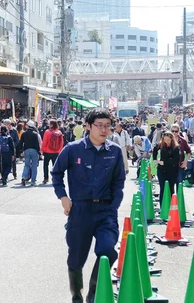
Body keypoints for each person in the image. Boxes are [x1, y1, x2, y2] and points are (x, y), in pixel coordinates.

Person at [51, 110, 126, 303]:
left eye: (107, 125)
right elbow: (56, 173)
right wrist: (63, 198)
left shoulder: (115, 152)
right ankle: (77, 295)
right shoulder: (72, 149)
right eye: (99, 125)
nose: (104, 129)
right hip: (80, 211)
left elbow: (118, 183)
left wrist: (114, 207)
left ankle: (93, 293)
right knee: (76, 258)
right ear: (88, 126)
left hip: (105, 211)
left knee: (108, 250)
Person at [152, 131, 181, 205]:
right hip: (161, 170)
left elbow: (175, 160)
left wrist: (164, 162)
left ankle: (171, 206)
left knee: (171, 188)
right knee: (162, 188)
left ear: (172, 139)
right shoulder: (161, 145)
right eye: (165, 140)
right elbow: (154, 150)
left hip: (172, 170)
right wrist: (155, 159)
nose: (166, 142)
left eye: (168, 140)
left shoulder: (176, 147)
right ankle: (162, 206)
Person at [42, 119, 65, 184]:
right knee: (55, 166)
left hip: (47, 151)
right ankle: (54, 178)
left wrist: (42, 150)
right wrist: (60, 150)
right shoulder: (59, 132)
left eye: (49, 124)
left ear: (51, 125)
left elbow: (44, 141)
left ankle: (46, 178)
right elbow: (61, 143)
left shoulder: (47, 132)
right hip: (56, 152)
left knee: (46, 165)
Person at [18, 121, 40, 186]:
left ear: (28, 126)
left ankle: (24, 177)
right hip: (34, 150)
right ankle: (33, 181)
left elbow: (21, 143)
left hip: (26, 150)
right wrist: (39, 152)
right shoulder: (35, 134)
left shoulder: (24, 134)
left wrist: (21, 151)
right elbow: (37, 144)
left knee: (26, 165)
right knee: (34, 166)